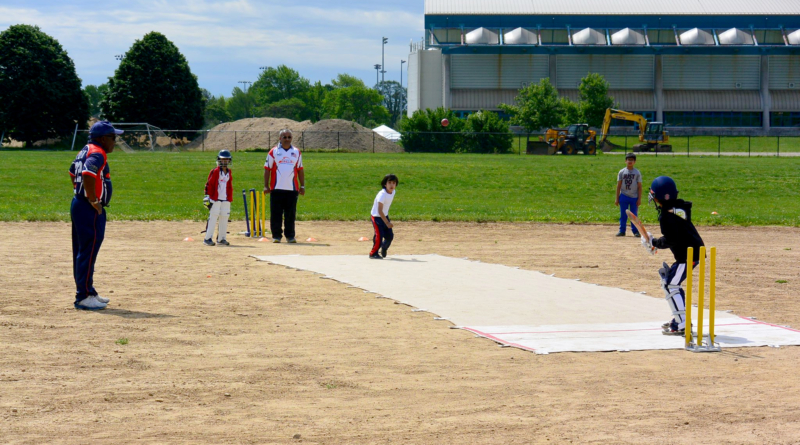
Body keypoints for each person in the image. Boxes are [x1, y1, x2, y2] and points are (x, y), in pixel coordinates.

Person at [640, 176, 705, 336]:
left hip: (688, 256)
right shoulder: (677, 208)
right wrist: (655, 242)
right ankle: (679, 319)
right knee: (671, 283)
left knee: (670, 285)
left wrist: (654, 242)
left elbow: (671, 239)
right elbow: (675, 237)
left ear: (658, 197)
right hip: (692, 252)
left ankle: (682, 324)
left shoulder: (666, 216)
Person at [68, 120, 122, 310]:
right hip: (88, 208)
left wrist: (80, 192)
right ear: (102, 138)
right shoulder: (97, 153)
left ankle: (88, 291)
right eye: (113, 137)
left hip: (80, 204)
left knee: (84, 251)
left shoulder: (86, 149)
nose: (115, 141)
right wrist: (92, 199)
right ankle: (82, 296)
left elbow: (72, 171)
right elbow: (87, 173)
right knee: (88, 251)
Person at [264, 129, 304, 243]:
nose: (287, 139)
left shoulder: (296, 152)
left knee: (290, 214)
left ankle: (290, 236)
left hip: (292, 189)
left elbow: (300, 169)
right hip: (276, 188)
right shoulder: (273, 152)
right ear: (279, 138)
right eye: (284, 137)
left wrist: (302, 186)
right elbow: (267, 169)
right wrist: (266, 186)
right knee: (276, 213)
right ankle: (276, 236)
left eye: (289, 137)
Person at [203, 150, 233, 246]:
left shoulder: (229, 172)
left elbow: (229, 185)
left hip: (225, 198)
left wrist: (229, 197)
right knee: (213, 217)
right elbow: (209, 184)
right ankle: (207, 238)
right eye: (223, 160)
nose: (225, 162)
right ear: (219, 160)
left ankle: (221, 238)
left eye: (227, 160)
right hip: (215, 198)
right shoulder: (215, 171)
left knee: (224, 217)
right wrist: (208, 196)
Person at [369, 174, 398, 259]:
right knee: (379, 236)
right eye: (389, 182)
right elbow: (379, 210)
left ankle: (384, 248)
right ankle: (373, 253)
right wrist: (387, 223)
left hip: (384, 216)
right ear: (385, 184)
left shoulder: (393, 192)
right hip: (377, 217)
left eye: (394, 183)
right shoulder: (382, 194)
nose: (392, 185)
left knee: (390, 236)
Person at [615, 153, 642, 237]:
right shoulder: (622, 172)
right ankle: (622, 230)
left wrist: (639, 199)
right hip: (624, 195)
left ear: (635, 162)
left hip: (634, 197)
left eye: (632, 160)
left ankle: (635, 231)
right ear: (625, 161)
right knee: (623, 214)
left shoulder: (637, 172)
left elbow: (640, 187)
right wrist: (617, 198)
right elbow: (618, 186)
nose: (630, 161)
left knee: (634, 215)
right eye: (628, 160)